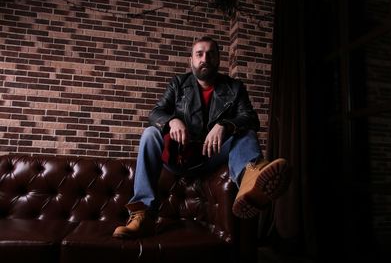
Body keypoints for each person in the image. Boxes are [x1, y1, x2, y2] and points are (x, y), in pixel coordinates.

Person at [112, 36, 290, 238]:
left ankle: (250, 182)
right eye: (199, 54)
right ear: (192, 60)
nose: (205, 58)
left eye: (210, 54)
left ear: (218, 59)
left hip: (212, 157)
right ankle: (142, 214)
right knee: (150, 133)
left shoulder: (235, 87)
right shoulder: (178, 84)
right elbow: (155, 113)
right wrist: (172, 121)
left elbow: (250, 119)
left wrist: (225, 125)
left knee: (245, 132)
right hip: (179, 157)